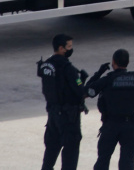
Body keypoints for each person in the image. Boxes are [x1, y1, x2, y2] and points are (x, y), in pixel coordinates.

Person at [86, 49, 134, 170]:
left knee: (103, 160)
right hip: (130, 126)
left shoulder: (107, 80)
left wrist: (99, 73)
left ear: (113, 62)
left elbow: (88, 91)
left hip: (110, 125)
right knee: (127, 162)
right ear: (128, 62)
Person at [39, 34, 88, 170]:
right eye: (69, 46)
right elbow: (80, 91)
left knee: (51, 151)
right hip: (68, 117)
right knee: (70, 153)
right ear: (61, 48)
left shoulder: (47, 65)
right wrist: (82, 81)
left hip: (53, 114)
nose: (71, 49)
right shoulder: (68, 69)